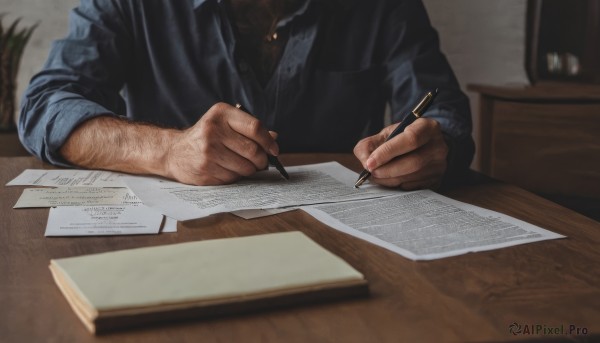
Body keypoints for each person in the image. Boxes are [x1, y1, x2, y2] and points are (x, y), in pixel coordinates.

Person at [19, 0, 474, 189]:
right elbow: (46, 105)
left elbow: (441, 106)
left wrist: (438, 144)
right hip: (176, 246)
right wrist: (167, 149)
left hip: (353, 245)